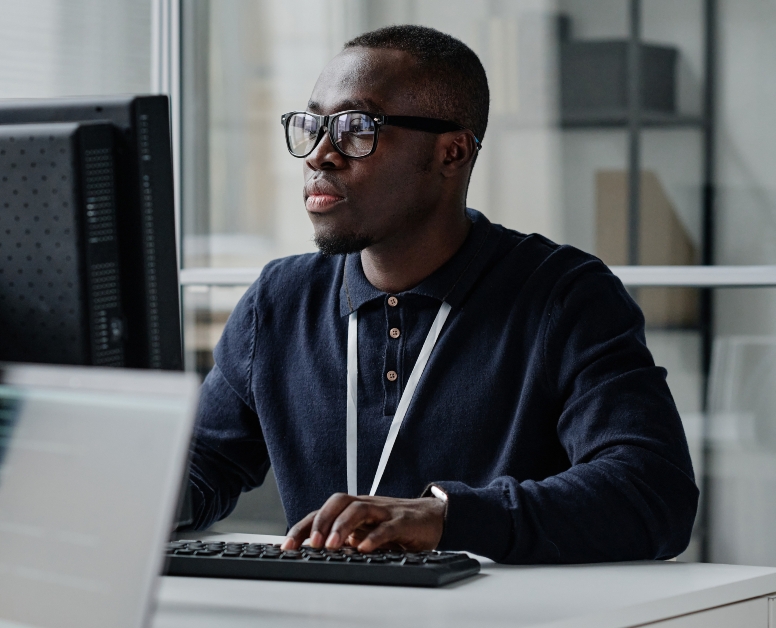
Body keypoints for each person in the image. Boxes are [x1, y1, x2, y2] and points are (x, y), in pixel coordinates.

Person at [184, 25, 698, 564]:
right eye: (313, 125)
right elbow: (198, 470)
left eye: (357, 128)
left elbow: (652, 492)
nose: (320, 154)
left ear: (452, 153)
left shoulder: (563, 296)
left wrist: (448, 518)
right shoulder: (280, 301)